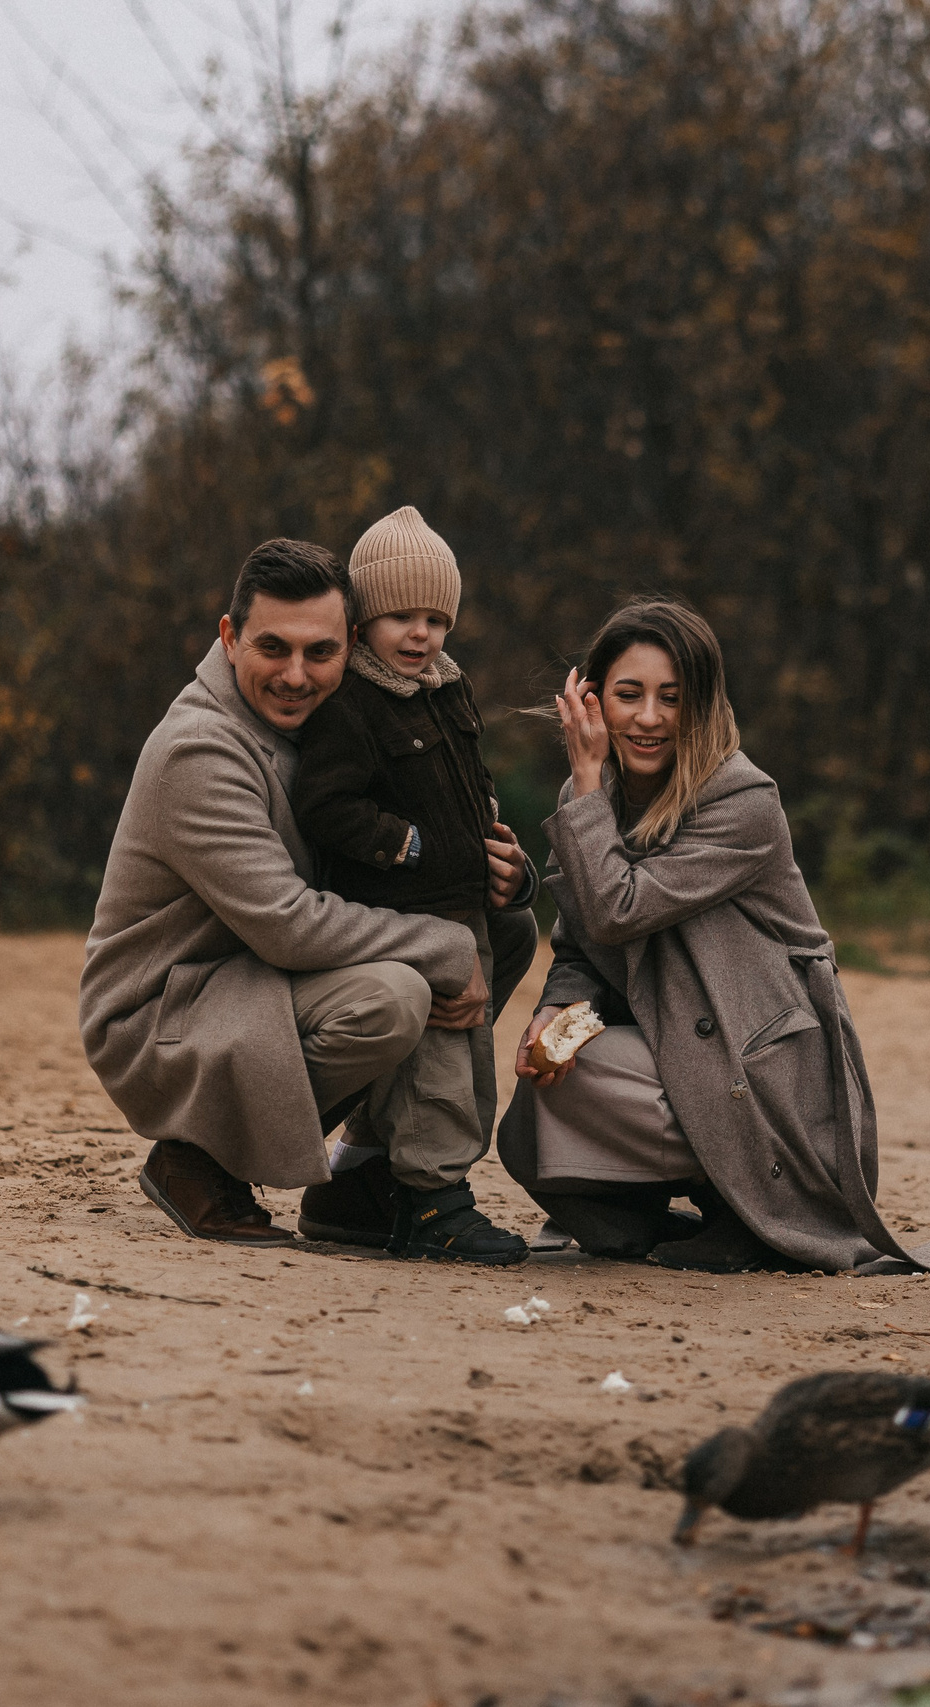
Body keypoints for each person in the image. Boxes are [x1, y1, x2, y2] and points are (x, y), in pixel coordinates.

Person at [497, 597, 930, 1275]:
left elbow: (615, 908)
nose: (649, 717)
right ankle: (647, 1218)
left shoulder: (741, 801)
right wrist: (557, 1007)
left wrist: (582, 781)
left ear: (702, 704)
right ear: (592, 696)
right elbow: (582, 942)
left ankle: (746, 1212)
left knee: (594, 1079)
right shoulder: (592, 797)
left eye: (672, 696)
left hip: (770, 1075)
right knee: (542, 1098)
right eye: (628, 693)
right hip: (683, 1045)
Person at [78, 538, 537, 1244]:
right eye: (273, 647)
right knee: (396, 994)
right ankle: (198, 1156)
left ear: (351, 645)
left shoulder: (335, 719)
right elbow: (289, 924)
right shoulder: (200, 750)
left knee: (501, 932)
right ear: (229, 638)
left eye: (319, 652)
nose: (296, 675)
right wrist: (443, 944)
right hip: (170, 1006)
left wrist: (496, 870)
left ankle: (362, 1172)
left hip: (253, 977)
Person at [288, 507, 529, 1264]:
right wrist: (407, 841)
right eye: (400, 616)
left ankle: (391, 1180)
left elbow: (472, 784)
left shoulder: (446, 690)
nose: (421, 634)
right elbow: (327, 807)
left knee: (474, 1057)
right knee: (439, 1062)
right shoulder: (350, 706)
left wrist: (499, 854)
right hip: (404, 913)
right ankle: (432, 1204)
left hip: (464, 906)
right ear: (362, 621)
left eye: (436, 618)